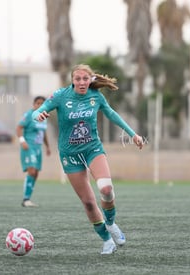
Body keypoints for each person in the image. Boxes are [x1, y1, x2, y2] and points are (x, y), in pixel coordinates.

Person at [32, 64, 144, 255]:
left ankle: (110, 223)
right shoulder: (61, 96)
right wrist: (39, 115)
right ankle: (107, 241)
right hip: (70, 155)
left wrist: (133, 134)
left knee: (106, 190)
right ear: (72, 80)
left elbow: (112, 115)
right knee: (89, 203)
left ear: (90, 80)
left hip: (93, 149)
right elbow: (37, 112)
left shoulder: (96, 97)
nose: (82, 82)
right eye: (78, 79)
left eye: (85, 79)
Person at [16, 96, 51, 207]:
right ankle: (25, 199)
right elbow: (19, 127)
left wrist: (47, 146)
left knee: (35, 173)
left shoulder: (43, 117)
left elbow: (43, 133)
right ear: (34, 104)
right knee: (31, 171)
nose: (40, 105)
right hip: (28, 146)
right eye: (38, 103)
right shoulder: (29, 115)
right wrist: (22, 141)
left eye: (42, 103)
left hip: (38, 148)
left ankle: (28, 198)